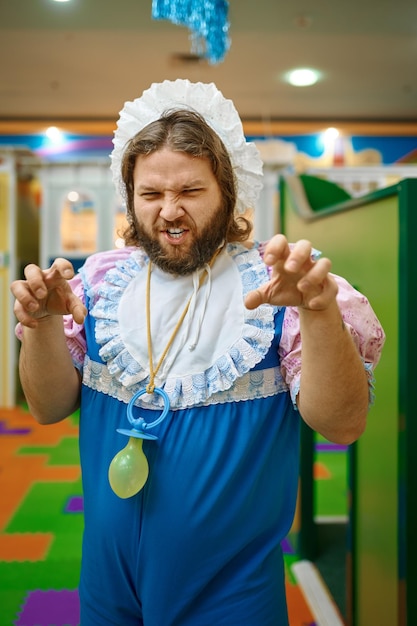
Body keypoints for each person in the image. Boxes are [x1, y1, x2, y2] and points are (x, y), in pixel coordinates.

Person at [11, 79, 385, 626]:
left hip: (231, 591)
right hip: (105, 582)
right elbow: (46, 407)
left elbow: (343, 425)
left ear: (229, 193)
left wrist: (319, 312)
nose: (169, 211)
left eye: (190, 191)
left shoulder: (277, 287)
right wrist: (43, 322)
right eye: (151, 194)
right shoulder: (98, 284)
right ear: (129, 196)